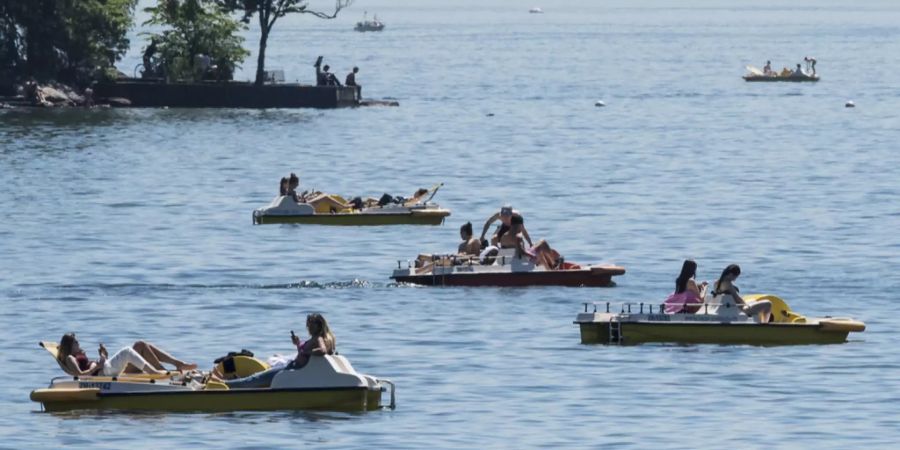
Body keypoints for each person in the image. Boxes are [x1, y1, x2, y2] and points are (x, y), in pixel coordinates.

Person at [214, 314, 336, 389]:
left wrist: (306, 352)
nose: (308, 326)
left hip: (291, 371)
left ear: (318, 325)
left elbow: (322, 351)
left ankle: (224, 384)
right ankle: (231, 381)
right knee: (256, 378)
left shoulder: (318, 338)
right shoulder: (318, 338)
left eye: (311, 324)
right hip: (292, 368)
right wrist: (298, 344)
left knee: (254, 379)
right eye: (308, 324)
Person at [56, 333, 196, 377]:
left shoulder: (78, 355)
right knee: (127, 351)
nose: (79, 344)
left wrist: (103, 355)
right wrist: (97, 366)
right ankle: (159, 373)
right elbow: (80, 375)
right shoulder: (70, 358)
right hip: (104, 373)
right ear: (69, 346)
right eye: (76, 343)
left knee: (140, 345)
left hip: (106, 368)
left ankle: (176, 364)